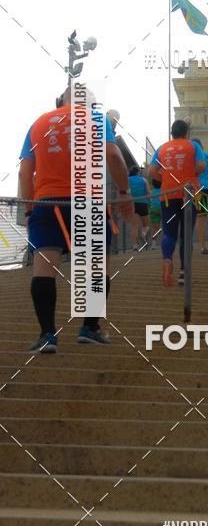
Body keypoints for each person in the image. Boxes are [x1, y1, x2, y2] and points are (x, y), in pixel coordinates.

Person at [19, 88, 135, 352]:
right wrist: (125, 191)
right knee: (96, 268)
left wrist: (29, 211)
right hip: (88, 201)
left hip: (47, 203)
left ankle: (48, 334)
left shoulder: (39, 123)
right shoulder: (96, 119)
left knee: (44, 267)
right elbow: (114, 156)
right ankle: (89, 328)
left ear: (61, 101)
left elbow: (25, 173)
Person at [148, 120, 205, 286]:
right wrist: (189, 175)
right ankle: (183, 273)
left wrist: (165, 178)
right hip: (188, 195)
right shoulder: (194, 146)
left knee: (169, 233)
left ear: (172, 132)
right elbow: (201, 165)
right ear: (186, 132)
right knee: (186, 236)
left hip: (168, 195)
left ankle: (167, 259)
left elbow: (152, 171)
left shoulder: (162, 148)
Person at [128, 166, 151, 249]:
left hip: (131, 204)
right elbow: (148, 193)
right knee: (146, 225)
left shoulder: (127, 180)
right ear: (138, 173)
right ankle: (143, 234)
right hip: (143, 203)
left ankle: (135, 246)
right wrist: (149, 203)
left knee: (134, 226)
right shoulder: (144, 180)